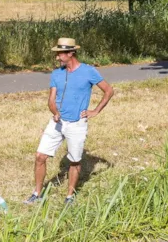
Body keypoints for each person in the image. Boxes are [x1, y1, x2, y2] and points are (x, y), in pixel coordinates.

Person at [25, 37, 114, 205]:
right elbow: (51, 100)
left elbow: (109, 91)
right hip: (57, 123)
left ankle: (69, 196)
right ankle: (37, 193)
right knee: (40, 156)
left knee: (74, 160)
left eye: (60, 54)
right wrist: (55, 112)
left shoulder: (88, 71)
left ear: (71, 53)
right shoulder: (57, 73)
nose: (57, 58)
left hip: (76, 124)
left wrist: (95, 111)